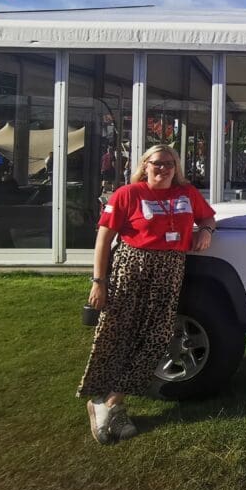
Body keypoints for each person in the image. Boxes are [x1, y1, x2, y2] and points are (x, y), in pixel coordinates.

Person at [77, 144, 216, 444]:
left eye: (170, 163)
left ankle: (110, 403)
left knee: (155, 337)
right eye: (157, 163)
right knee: (117, 332)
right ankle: (107, 402)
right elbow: (104, 239)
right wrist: (98, 281)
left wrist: (206, 231)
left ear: (176, 167)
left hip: (170, 270)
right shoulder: (128, 194)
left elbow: (207, 218)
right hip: (133, 266)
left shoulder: (187, 193)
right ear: (145, 165)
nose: (163, 168)